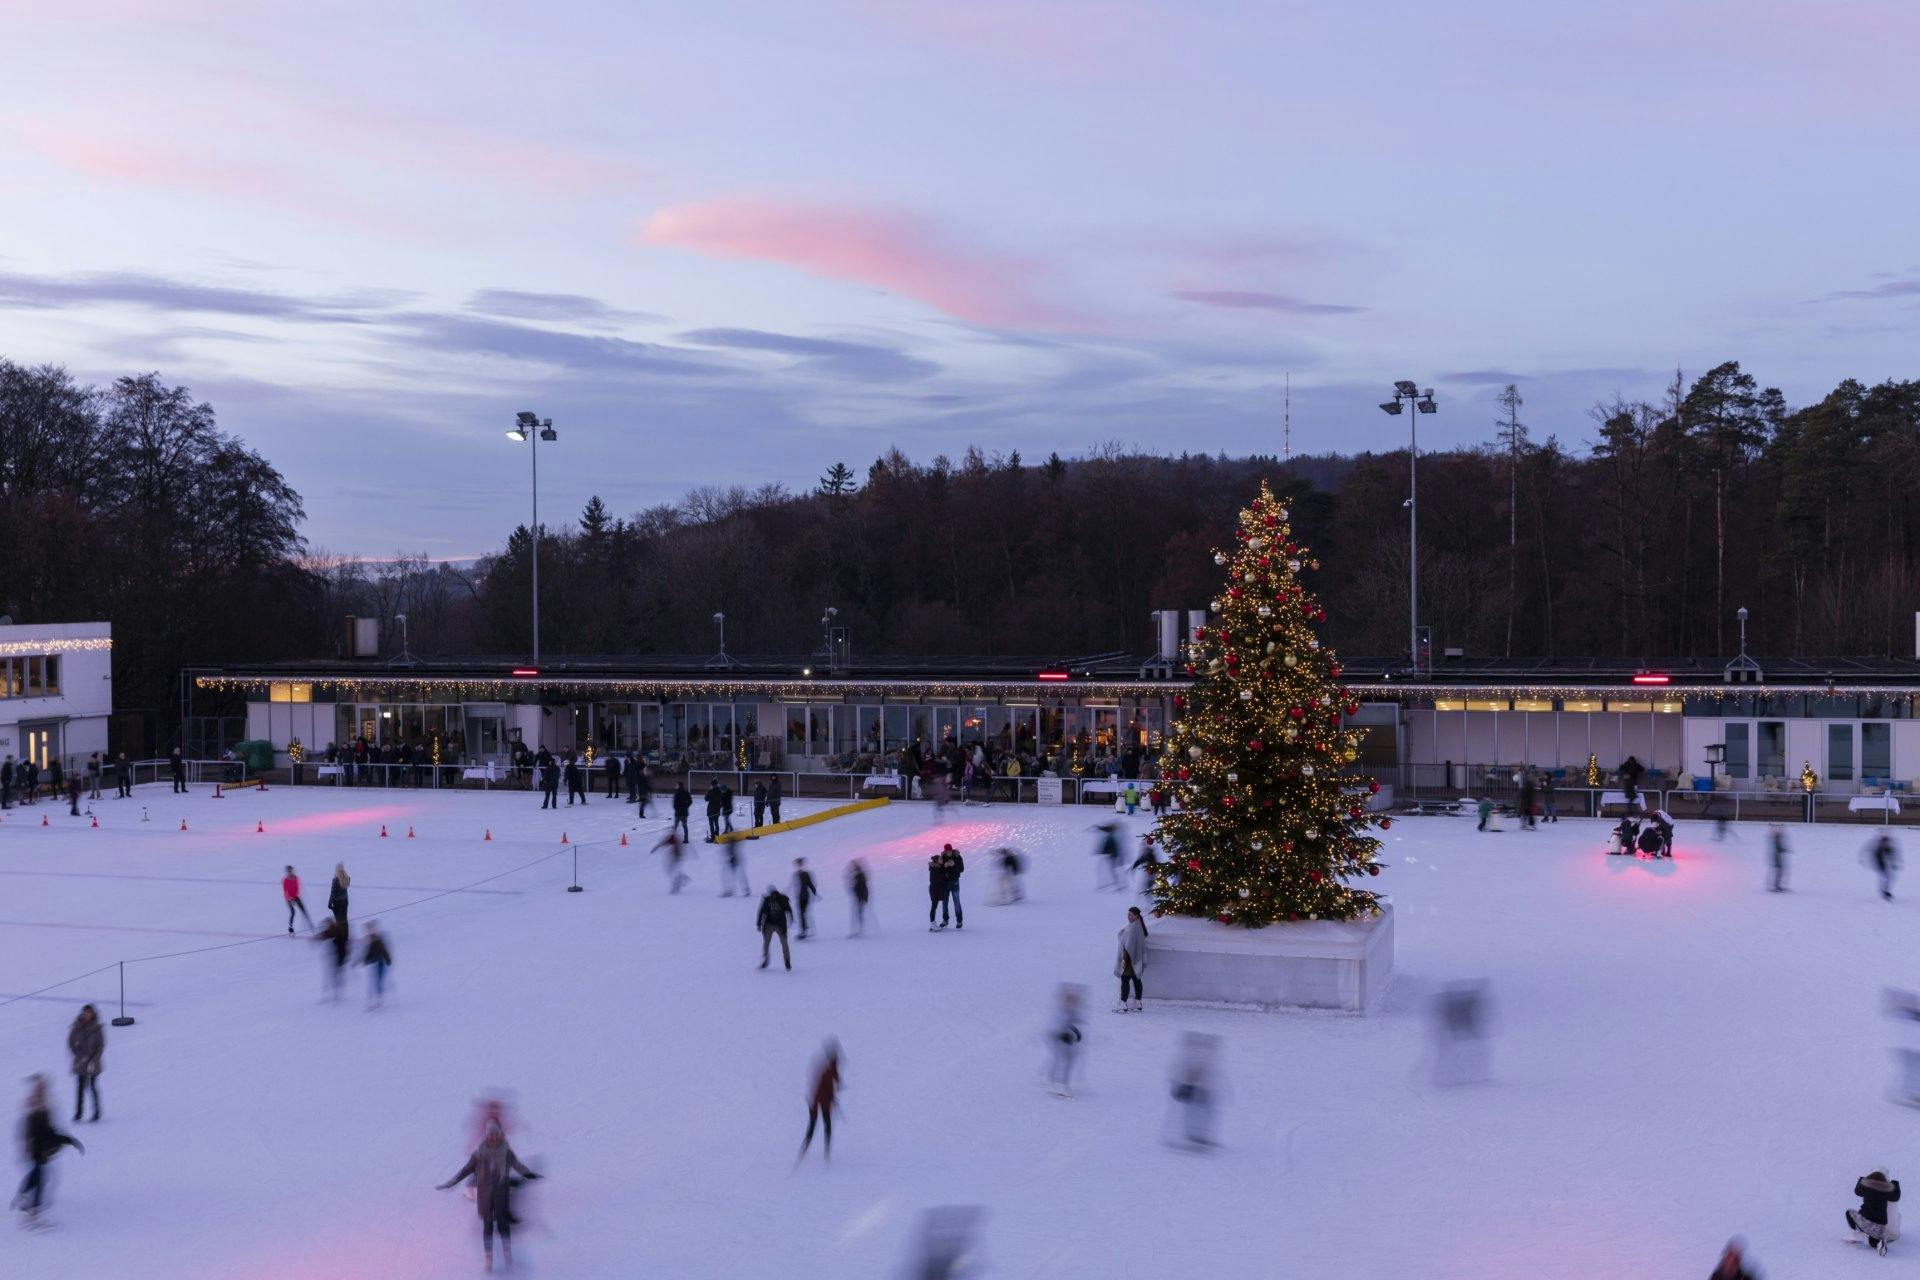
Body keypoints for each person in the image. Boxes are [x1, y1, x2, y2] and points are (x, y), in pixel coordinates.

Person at [436, 1120, 540, 1272]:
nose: (493, 1137)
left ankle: (507, 1252)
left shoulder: (506, 1151)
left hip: (501, 1194)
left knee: (503, 1224)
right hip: (485, 1195)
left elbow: (517, 1165)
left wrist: (529, 1174)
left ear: (499, 1135)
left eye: (495, 1134)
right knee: (488, 1225)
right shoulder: (480, 1152)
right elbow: (466, 1169)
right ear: (487, 1135)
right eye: (490, 1134)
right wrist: (452, 1182)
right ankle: (488, 1257)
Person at [12, 1076, 82, 1227]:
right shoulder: (37, 1111)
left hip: (38, 1150)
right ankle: (33, 1213)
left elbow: (48, 1131)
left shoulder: (40, 1108)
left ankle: (24, 1198)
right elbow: (45, 1133)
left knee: (37, 1176)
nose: (45, 1092)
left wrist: (66, 1139)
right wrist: (65, 1139)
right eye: (42, 1089)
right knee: (41, 1179)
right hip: (38, 1151)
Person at [1169, 1032, 1219, 1149]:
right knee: (1194, 1112)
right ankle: (1192, 1136)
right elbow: (1182, 1072)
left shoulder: (1202, 1056)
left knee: (1205, 1112)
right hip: (1192, 1089)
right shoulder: (1187, 1056)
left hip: (1204, 1089)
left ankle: (1199, 1136)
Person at [797, 1039, 841, 1165]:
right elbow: (825, 1084)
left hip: (820, 1099)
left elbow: (835, 1079)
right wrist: (831, 1096)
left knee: (819, 1124)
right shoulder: (827, 1067)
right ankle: (818, 1152)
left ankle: (818, 1151)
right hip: (819, 1100)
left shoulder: (830, 1065)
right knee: (819, 1124)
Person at [1847, 1168, 1901, 1255]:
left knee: (1849, 1213)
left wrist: (1862, 1179)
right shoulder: (1886, 1191)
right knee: (1873, 1239)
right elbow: (1895, 1197)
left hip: (1865, 1221)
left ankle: (1859, 1232)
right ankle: (1879, 1244)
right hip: (1880, 1226)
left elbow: (1857, 1191)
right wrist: (1895, 1183)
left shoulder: (1867, 1188)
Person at [67, 1005, 104, 1123]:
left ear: (93, 1014)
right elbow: (70, 1041)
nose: (87, 1014)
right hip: (81, 1062)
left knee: (92, 1087)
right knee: (80, 1088)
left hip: (93, 1063)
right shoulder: (77, 1026)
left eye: (89, 1012)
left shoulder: (97, 1028)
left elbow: (101, 1046)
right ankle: (79, 1114)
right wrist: (77, 1053)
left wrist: (94, 1060)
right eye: (85, 1012)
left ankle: (96, 1112)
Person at [1046, 984, 1084, 1097]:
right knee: (1061, 1060)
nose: (1075, 1002)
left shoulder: (1071, 1011)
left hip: (1065, 1039)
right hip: (1057, 1038)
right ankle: (1054, 1084)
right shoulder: (1061, 1011)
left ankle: (1061, 1084)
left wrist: (1076, 1032)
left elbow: (1070, 1023)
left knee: (1068, 1060)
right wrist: (1062, 1034)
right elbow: (1056, 1025)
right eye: (1072, 1000)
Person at [1114, 905, 1148, 1012]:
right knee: (1136, 979)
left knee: (1125, 980)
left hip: (1129, 959)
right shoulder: (1138, 926)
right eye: (1128, 914)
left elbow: (1128, 947)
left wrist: (1124, 960)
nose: (1128, 916)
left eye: (1131, 915)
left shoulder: (1134, 928)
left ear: (1136, 916)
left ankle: (1123, 1003)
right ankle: (1137, 1002)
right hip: (1135, 958)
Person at [757, 883, 794, 970]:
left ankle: (787, 961)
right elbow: (761, 912)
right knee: (766, 944)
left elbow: (789, 910)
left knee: (784, 944)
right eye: (772, 894)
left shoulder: (783, 899)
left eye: (774, 893)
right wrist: (759, 924)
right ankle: (765, 960)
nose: (773, 895)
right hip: (769, 925)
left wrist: (791, 918)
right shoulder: (767, 900)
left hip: (780, 925)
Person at [316, 916, 351, 999]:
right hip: (333, 955)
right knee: (330, 974)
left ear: (330, 923)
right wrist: (316, 938)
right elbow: (324, 934)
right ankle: (330, 993)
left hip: (340, 955)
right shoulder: (330, 930)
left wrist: (344, 956)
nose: (325, 926)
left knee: (335, 974)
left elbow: (341, 940)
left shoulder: (336, 930)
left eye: (326, 924)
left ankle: (337, 992)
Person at [361, 921, 393, 1007]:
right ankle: (374, 999)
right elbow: (369, 952)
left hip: (381, 963)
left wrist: (388, 960)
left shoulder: (379, 941)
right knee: (374, 981)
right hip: (374, 963)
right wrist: (366, 960)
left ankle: (379, 999)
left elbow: (384, 951)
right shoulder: (371, 941)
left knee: (378, 981)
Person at [654, 829, 692, 894]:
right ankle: (682, 877)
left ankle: (676, 886)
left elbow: (665, 843)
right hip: (675, 856)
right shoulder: (672, 838)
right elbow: (664, 843)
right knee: (671, 870)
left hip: (677, 856)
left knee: (672, 871)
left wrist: (656, 847)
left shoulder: (674, 838)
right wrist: (656, 847)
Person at [792, 858, 819, 940]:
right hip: (800, 897)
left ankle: (804, 931)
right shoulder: (796, 874)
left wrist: (815, 893)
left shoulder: (805, 874)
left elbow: (810, 884)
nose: (797, 866)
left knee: (802, 914)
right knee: (802, 914)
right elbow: (794, 886)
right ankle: (805, 930)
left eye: (798, 864)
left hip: (804, 897)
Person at [939, 844, 964, 929]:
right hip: (945, 883)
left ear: (952, 850)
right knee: (944, 902)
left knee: (956, 901)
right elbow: (939, 871)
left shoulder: (957, 857)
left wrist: (953, 865)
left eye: (949, 851)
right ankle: (945, 920)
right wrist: (944, 866)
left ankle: (959, 921)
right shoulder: (942, 858)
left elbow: (961, 869)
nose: (948, 853)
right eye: (947, 852)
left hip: (955, 882)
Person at [282, 865, 314, 933]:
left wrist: (294, 898)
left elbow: (297, 889)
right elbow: (285, 891)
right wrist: (291, 899)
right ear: (287, 872)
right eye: (288, 871)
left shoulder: (296, 878)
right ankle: (290, 927)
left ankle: (310, 925)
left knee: (303, 909)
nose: (290, 872)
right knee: (293, 912)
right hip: (288, 898)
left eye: (291, 871)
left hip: (295, 896)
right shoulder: (285, 880)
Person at [1871, 832, 1901, 901]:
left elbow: (1892, 855)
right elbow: (1876, 857)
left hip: (1883, 863)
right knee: (1886, 877)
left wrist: (1894, 863)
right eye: (1884, 842)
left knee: (1889, 878)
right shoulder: (1878, 849)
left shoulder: (1888, 847)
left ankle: (1885, 891)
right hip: (1880, 863)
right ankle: (1884, 892)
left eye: (1887, 842)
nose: (1886, 844)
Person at [1093, 822, 1123, 890]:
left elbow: (1111, 847)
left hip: (1112, 855)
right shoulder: (1111, 835)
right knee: (1110, 869)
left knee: (1109, 869)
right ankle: (1116, 883)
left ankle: (1117, 884)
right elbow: (1105, 829)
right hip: (1111, 855)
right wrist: (1098, 827)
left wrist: (1102, 851)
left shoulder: (1112, 837)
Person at [928, 850, 951, 931]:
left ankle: (933, 924)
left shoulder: (937, 867)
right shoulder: (935, 869)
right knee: (934, 906)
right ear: (937, 861)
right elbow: (937, 879)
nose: (942, 860)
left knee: (934, 906)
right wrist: (944, 876)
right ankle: (932, 924)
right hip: (935, 890)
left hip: (936, 889)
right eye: (940, 859)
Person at [847, 859, 870, 936]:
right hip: (859, 896)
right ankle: (859, 929)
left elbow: (862, 887)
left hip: (860, 897)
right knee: (858, 913)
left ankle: (860, 929)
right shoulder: (858, 875)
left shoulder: (859, 875)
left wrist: (865, 898)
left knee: (859, 913)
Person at [1767, 826, 1788, 892]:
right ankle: (1776, 886)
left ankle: (1777, 886)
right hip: (1777, 858)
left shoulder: (1777, 839)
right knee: (1779, 872)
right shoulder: (1777, 839)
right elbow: (1778, 848)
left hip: (1777, 857)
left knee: (1779, 872)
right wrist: (1784, 850)